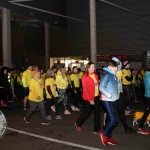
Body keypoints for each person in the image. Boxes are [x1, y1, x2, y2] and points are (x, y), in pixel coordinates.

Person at [75, 62, 102, 135]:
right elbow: (85, 90)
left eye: (94, 66)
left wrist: (100, 95)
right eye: (92, 67)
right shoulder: (84, 77)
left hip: (95, 96)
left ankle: (97, 129)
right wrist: (90, 100)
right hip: (87, 98)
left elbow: (97, 86)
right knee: (87, 113)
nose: (94, 68)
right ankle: (78, 123)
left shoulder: (96, 75)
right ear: (88, 68)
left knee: (97, 113)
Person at [100, 60, 119, 146]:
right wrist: (110, 96)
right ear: (110, 66)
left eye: (117, 66)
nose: (117, 68)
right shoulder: (107, 75)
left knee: (114, 120)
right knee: (113, 119)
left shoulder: (113, 75)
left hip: (114, 100)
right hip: (108, 100)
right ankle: (104, 135)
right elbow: (101, 87)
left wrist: (117, 95)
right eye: (115, 66)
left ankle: (108, 136)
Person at [137, 66, 150, 135]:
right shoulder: (149, 77)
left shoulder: (147, 75)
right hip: (148, 97)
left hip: (147, 96)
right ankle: (140, 128)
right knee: (146, 113)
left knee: (146, 112)